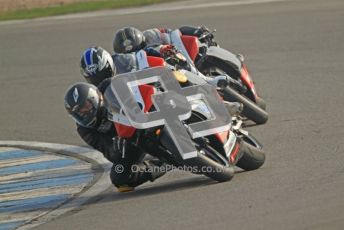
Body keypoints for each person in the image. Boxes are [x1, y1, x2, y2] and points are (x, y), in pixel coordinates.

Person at [64, 82, 166, 192]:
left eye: (86, 106)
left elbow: (131, 83)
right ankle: (164, 164)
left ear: (94, 98)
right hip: (130, 144)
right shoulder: (85, 130)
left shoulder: (107, 86)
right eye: (79, 112)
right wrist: (116, 149)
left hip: (143, 116)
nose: (84, 113)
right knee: (120, 178)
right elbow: (108, 151)